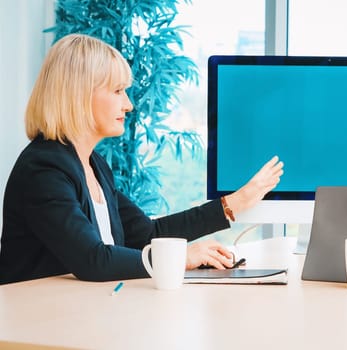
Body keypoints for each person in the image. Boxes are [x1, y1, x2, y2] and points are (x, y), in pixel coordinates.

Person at [0, 34, 284, 285]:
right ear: (79, 96)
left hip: (78, 314)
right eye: (117, 91)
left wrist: (232, 204)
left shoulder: (94, 165)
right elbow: (93, 260)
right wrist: (179, 258)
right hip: (38, 325)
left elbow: (149, 233)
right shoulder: (44, 169)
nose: (128, 104)